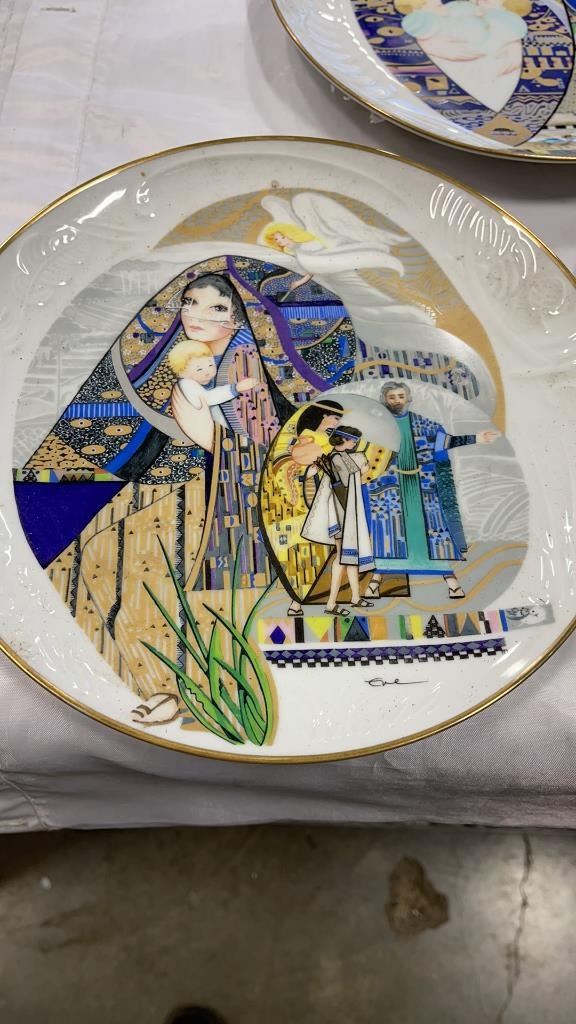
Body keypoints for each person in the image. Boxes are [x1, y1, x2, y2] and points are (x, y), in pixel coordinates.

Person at [368, 381, 499, 599]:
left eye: (401, 396)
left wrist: (477, 438)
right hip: (389, 490)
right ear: (385, 400)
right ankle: (375, 582)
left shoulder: (425, 424)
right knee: (389, 533)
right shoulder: (376, 426)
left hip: (423, 488)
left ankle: (451, 582)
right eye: (392, 397)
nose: (397, 401)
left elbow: (445, 442)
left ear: (408, 399)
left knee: (432, 532)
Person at [301, 426, 375, 616]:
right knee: (342, 557)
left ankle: (355, 597)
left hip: (346, 511)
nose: (355, 443)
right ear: (343, 439)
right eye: (352, 440)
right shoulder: (335, 458)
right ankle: (331, 604)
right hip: (341, 513)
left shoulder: (342, 456)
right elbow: (346, 484)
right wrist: (362, 471)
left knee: (349, 557)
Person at [168, 338, 258, 452]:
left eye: (210, 365)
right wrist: (236, 388)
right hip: (204, 431)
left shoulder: (202, 381)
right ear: (181, 372)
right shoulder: (186, 384)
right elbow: (210, 398)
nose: (207, 371)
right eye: (199, 369)